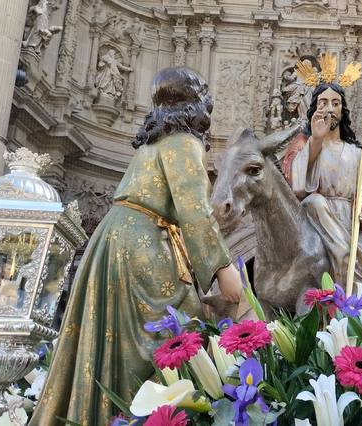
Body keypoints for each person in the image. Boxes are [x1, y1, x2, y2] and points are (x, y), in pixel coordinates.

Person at [30, 68, 243, 424]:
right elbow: (194, 211)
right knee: (179, 327)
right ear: (196, 103)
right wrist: (224, 269)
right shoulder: (184, 142)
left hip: (117, 238)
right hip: (144, 243)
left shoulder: (154, 143)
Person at [281, 58, 362, 289]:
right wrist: (316, 139)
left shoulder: (357, 153)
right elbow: (296, 186)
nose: (329, 108)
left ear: (342, 109)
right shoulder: (304, 144)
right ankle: (344, 257)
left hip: (350, 220)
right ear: (314, 108)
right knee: (316, 202)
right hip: (315, 220)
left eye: (335, 103)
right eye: (323, 102)